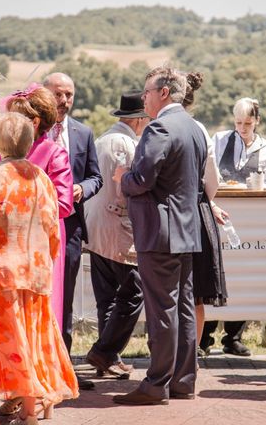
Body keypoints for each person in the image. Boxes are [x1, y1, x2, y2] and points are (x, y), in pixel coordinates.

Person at [0, 113, 78, 425]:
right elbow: (53, 232)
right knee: (28, 345)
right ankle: (28, 414)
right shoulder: (41, 179)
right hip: (35, 276)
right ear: (28, 143)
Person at [112, 66, 207, 405]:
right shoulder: (194, 128)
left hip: (160, 232)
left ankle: (156, 384)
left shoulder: (160, 128)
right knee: (181, 307)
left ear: (164, 92)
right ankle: (183, 381)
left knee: (161, 310)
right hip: (186, 230)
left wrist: (123, 177)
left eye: (147, 91)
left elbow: (142, 179)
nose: (144, 97)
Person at [0, 85, 75, 416]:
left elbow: (65, 203)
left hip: (42, 246)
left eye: (18, 115)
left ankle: (41, 391)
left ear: (35, 120)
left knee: (40, 318)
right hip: (4, 246)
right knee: (10, 321)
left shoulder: (54, 153)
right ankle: (16, 389)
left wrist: (23, 199)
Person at [84, 90, 149, 379]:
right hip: (118, 227)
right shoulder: (127, 144)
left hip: (95, 226)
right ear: (138, 120)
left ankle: (108, 357)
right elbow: (130, 187)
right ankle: (104, 351)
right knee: (134, 293)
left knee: (106, 296)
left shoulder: (102, 139)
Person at [206, 97, 266, 357]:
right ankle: (205, 336)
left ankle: (233, 336)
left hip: (250, 217)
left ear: (257, 121)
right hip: (219, 212)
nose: (243, 128)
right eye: (238, 122)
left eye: (248, 123)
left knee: (242, 272)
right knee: (216, 269)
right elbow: (208, 174)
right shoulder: (220, 139)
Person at [42, 73, 102, 355]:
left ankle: (63, 362)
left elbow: (96, 177)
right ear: (44, 94)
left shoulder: (84, 133)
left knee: (65, 297)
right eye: (58, 94)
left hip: (70, 229)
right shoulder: (32, 131)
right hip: (36, 229)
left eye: (69, 95)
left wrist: (81, 188)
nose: (64, 101)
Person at [181, 72, 228, 359]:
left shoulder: (155, 126)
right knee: (196, 291)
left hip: (170, 214)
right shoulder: (199, 129)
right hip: (197, 211)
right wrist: (207, 202)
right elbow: (213, 182)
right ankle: (192, 354)